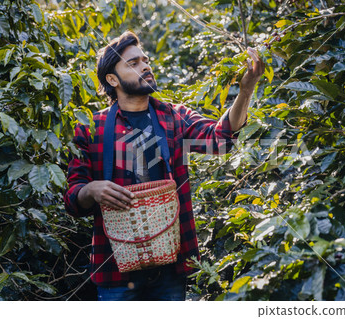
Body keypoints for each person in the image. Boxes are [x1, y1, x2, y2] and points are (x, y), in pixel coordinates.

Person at [64, 30, 264, 301]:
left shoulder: (174, 116)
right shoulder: (91, 127)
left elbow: (220, 139)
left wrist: (246, 90)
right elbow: (73, 197)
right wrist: (92, 190)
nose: (145, 65)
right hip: (114, 271)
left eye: (145, 60)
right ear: (113, 79)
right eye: (133, 63)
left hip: (170, 268)